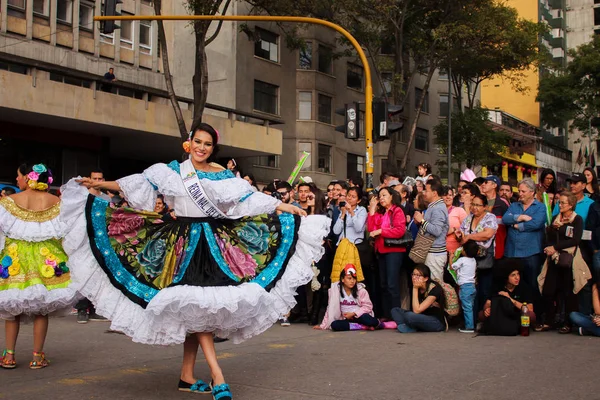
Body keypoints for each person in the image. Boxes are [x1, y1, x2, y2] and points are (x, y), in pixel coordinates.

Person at [60, 122, 329, 397]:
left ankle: (187, 376)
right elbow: (133, 183)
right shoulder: (171, 171)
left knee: (199, 309)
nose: (202, 148)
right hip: (180, 244)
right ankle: (217, 375)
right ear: (189, 142)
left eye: (207, 144)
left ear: (214, 148)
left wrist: (281, 205)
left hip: (212, 243)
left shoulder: (222, 174)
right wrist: (97, 184)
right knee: (197, 308)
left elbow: (247, 199)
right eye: (198, 142)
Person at [0, 164, 79, 369]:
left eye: (18, 176)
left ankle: (9, 356)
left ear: (28, 177)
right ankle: (37, 356)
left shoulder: (8, 202)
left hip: (16, 258)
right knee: (41, 310)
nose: (16, 180)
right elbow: (68, 231)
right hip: (47, 259)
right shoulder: (57, 202)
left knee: (12, 309)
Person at [536, 191, 584, 333]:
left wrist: (555, 247)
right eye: (559, 202)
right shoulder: (556, 218)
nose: (560, 205)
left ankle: (568, 323)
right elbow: (549, 237)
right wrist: (550, 243)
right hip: (553, 258)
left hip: (567, 259)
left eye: (563, 202)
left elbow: (575, 240)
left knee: (568, 292)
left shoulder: (577, 219)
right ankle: (549, 321)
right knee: (548, 290)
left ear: (571, 205)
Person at [502, 178, 547, 309]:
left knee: (532, 284)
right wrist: (519, 217)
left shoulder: (540, 207)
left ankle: (534, 315)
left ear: (532, 192)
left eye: (523, 191)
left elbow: (536, 223)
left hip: (531, 252)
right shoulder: (514, 205)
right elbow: (505, 219)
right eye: (519, 191)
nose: (520, 193)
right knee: (512, 284)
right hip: (513, 251)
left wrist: (517, 226)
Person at [367, 187, 407, 318]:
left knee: (392, 285)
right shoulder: (382, 212)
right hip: (381, 250)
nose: (381, 198)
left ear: (392, 196)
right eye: (380, 196)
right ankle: (386, 314)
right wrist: (372, 212)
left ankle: (396, 315)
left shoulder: (397, 210)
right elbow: (371, 229)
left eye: (384, 195)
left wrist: (381, 231)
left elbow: (399, 231)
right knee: (383, 285)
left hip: (394, 251)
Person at [457, 193, 498, 312]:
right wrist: (460, 236)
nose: (474, 207)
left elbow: (488, 234)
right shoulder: (468, 218)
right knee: (471, 289)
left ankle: (483, 316)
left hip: (484, 258)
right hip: (470, 259)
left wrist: (469, 237)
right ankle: (472, 318)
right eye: (473, 204)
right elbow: (462, 234)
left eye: (478, 205)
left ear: (485, 206)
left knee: (485, 290)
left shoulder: (490, 217)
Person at [315, 265, 379, 331]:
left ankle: (378, 324)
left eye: (354, 279)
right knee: (334, 325)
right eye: (349, 278)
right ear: (342, 279)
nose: (352, 281)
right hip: (346, 319)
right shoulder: (335, 291)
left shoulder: (361, 290)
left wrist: (353, 314)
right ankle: (361, 327)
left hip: (359, 316)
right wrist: (323, 326)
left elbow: (368, 307)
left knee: (367, 319)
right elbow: (330, 308)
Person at [479, 260, 536, 335]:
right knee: (481, 314)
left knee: (531, 315)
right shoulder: (498, 287)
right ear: (506, 277)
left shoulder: (523, 286)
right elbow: (488, 303)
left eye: (518, 274)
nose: (517, 278)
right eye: (513, 275)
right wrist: (486, 309)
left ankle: (518, 328)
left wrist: (510, 299)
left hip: (516, 315)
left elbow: (530, 308)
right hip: (502, 315)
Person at [391, 264, 446, 333]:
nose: (414, 277)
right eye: (413, 274)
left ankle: (409, 326)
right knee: (395, 310)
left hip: (436, 322)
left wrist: (415, 288)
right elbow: (414, 309)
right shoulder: (415, 286)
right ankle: (409, 326)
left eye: (418, 275)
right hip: (420, 317)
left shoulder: (435, 289)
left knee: (409, 316)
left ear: (426, 278)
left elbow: (417, 310)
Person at [413, 179, 449, 282]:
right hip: (431, 252)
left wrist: (422, 221)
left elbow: (437, 230)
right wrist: (420, 222)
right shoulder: (433, 206)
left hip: (435, 253)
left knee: (435, 285)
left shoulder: (438, 208)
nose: (424, 193)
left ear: (434, 193)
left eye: (426, 190)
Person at [450, 240, 478, 333]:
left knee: (467, 307)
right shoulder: (473, 260)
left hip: (465, 287)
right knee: (470, 306)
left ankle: (469, 327)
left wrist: (451, 257)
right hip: (472, 286)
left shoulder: (462, 260)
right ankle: (471, 323)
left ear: (465, 251)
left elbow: (452, 267)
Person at [443, 185, 467, 256]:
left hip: (456, 251)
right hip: (439, 251)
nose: (448, 197)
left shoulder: (459, 210)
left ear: (453, 196)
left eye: (450, 195)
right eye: (445, 195)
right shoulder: (437, 211)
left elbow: (466, 228)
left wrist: (456, 230)